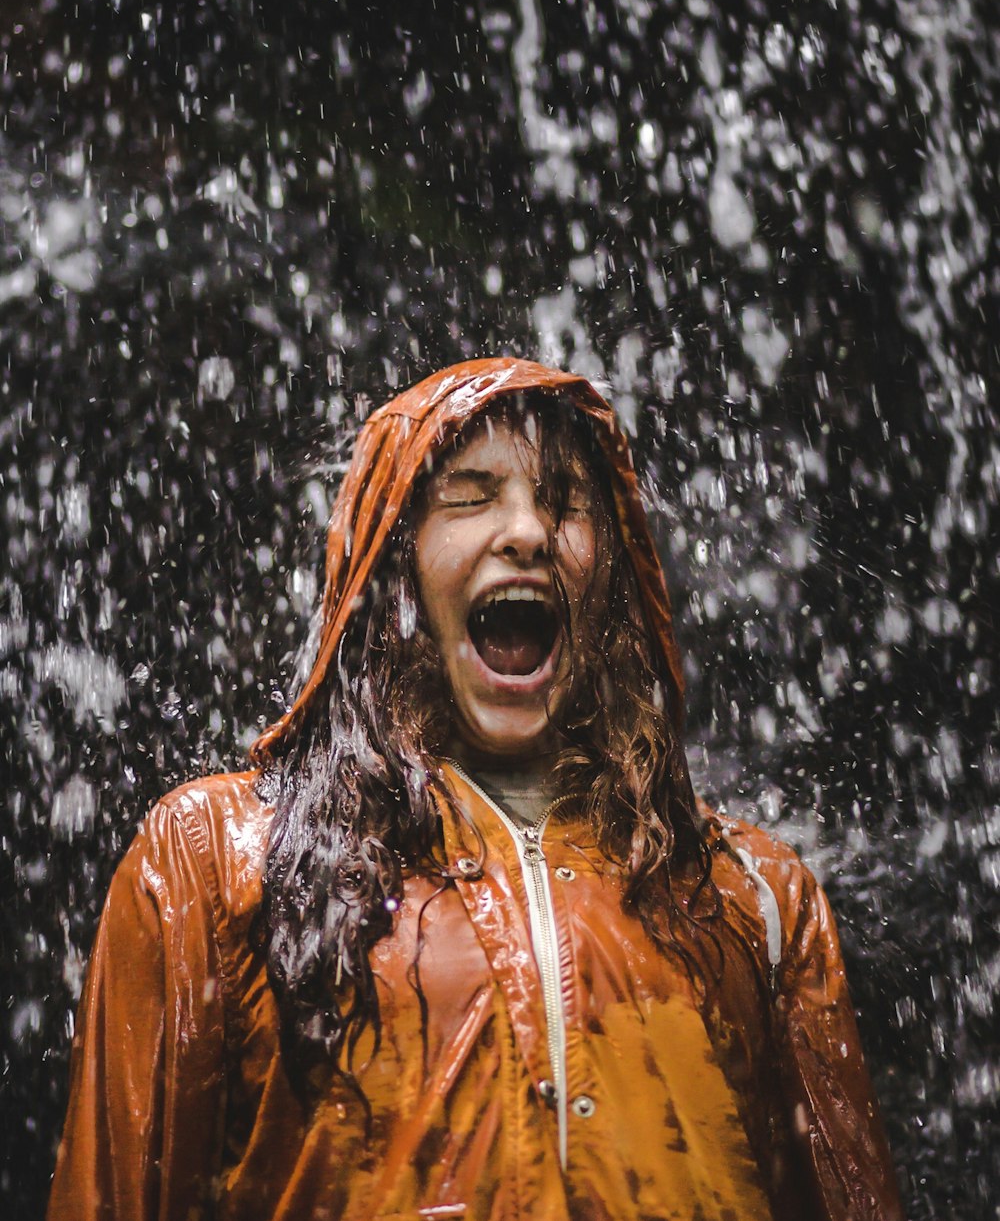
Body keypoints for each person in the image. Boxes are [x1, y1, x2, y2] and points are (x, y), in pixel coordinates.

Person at [48, 357, 904, 1220]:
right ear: (392, 567)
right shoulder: (213, 864)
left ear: (608, 574)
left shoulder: (752, 896)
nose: (529, 530)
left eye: (566, 500)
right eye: (470, 494)